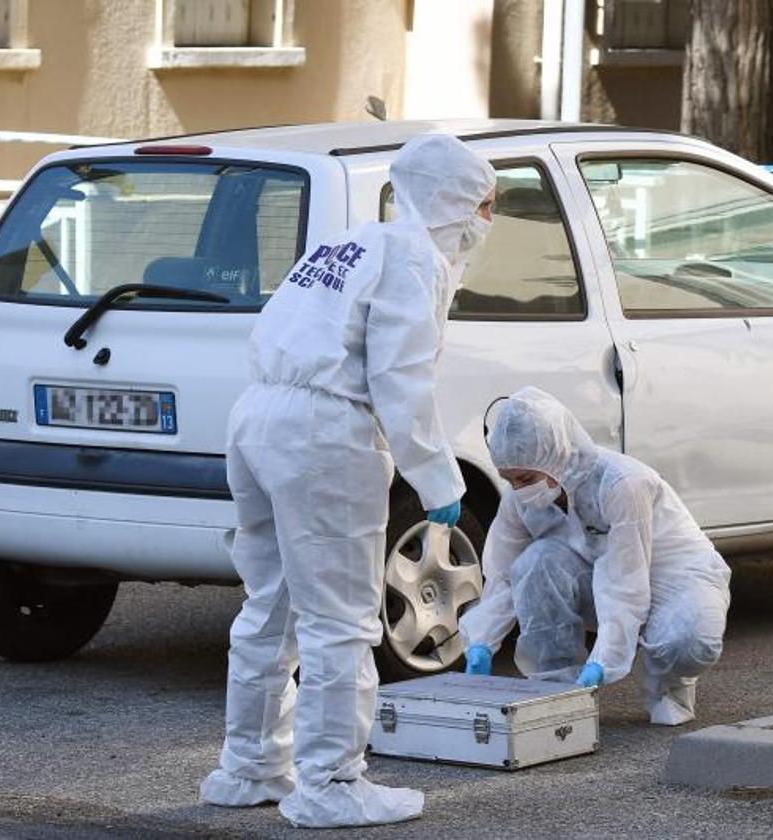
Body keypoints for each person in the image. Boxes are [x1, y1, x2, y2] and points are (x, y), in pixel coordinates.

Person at [199, 133, 496, 828]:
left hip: (258, 418)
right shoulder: (415, 257)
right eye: (484, 205)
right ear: (457, 200)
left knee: (269, 607)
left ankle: (249, 768)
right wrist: (435, 475)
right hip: (323, 433)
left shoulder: (351, 242)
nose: (486, 221)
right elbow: (400, 377)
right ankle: (331, 782)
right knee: (339, 621)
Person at [458, 387, 731, 726]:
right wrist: (481, 640)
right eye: (509, 479)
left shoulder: (621, 484)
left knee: (689, 641)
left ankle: (668, 686)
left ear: (554, 454)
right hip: (606, 574)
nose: (518, 489)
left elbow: (625, 581)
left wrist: (604, 660)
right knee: (534, 563)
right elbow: (502, 573)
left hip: (674, 578)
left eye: (525, 478)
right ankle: (556, 696)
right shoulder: (520, 499)